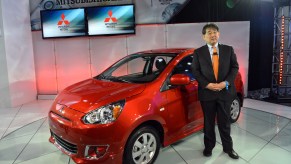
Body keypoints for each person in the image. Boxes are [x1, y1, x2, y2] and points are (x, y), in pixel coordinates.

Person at [192, 23, 239, 159]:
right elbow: (195, 71)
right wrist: (207, 85)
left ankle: (228, 148)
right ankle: (209, 147)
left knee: (225, 122)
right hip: (207, 93)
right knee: (209, 122)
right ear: (204, 36)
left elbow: (234, 68)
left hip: (225, 92)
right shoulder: (198, 52)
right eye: (209, 32)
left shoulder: (228, 50)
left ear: (219, 34)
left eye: (215, 32)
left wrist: (226, 83)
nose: (212, 35)